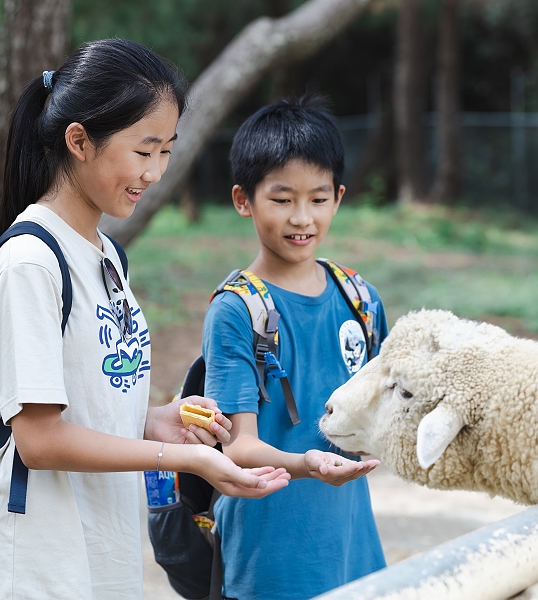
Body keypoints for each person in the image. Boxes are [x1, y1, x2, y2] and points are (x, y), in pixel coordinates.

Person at [0, 39, 290, 600]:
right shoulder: (29, 263)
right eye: (144, 151)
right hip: (37, 558)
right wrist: (179, 457)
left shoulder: (106, 254)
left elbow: (88, 395)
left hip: (103, 548)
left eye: (166, 150)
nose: (157, 172)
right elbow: (39, 439)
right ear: (79, 141)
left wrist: (153, 418)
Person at [201, 96, 388, 600]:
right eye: (282, 199)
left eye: (318, 198)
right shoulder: (236, 311)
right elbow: (239, 448)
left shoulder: (360, 300)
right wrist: (310, 464)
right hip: (270, 564)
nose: (302, 217)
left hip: (355, 553)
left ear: (339, 197)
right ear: (244, 200)